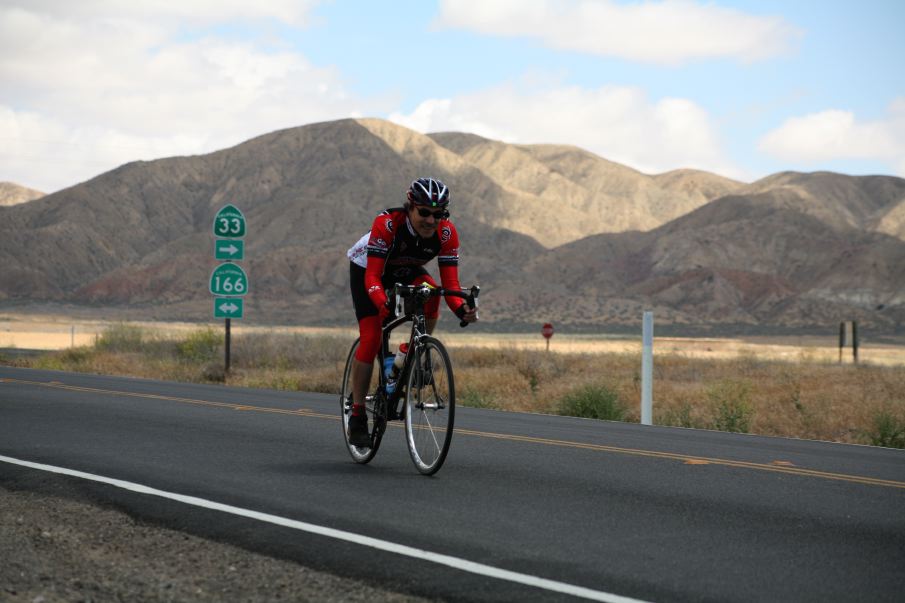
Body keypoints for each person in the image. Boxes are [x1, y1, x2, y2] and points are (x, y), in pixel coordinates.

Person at [345, 177, 478, 447]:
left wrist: (462, 309)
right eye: (424, 213)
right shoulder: (388, 224)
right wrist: (384, 302)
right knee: (371, 339)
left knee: (431, 291)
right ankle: (358, 414)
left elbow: (450, 285)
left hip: (405, 270)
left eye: (438, 214)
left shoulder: (446, 234)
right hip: (369, 271)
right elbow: (372, 277)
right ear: (410, 207)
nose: (431, 220)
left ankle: (411, 352)